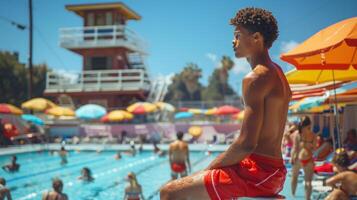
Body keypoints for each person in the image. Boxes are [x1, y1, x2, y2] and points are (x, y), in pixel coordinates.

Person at [160, 7, 291, 199]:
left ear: (256, 38)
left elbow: (246, 144)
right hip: (272, 170)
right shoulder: (278, 72)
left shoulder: (255, 78)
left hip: (258, 173)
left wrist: (208, 169)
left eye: (238, 35)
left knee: (168, 192)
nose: (233, 41)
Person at [291, 116, 316, 200]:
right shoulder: (312, 135)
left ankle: (294, 196)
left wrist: (292, 157)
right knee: (305, 181)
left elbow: (295, 148)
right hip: (305, 158)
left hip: (300, 159)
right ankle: (301, 197)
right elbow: (314, 149)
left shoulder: (299, 134)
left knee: (297, 178)